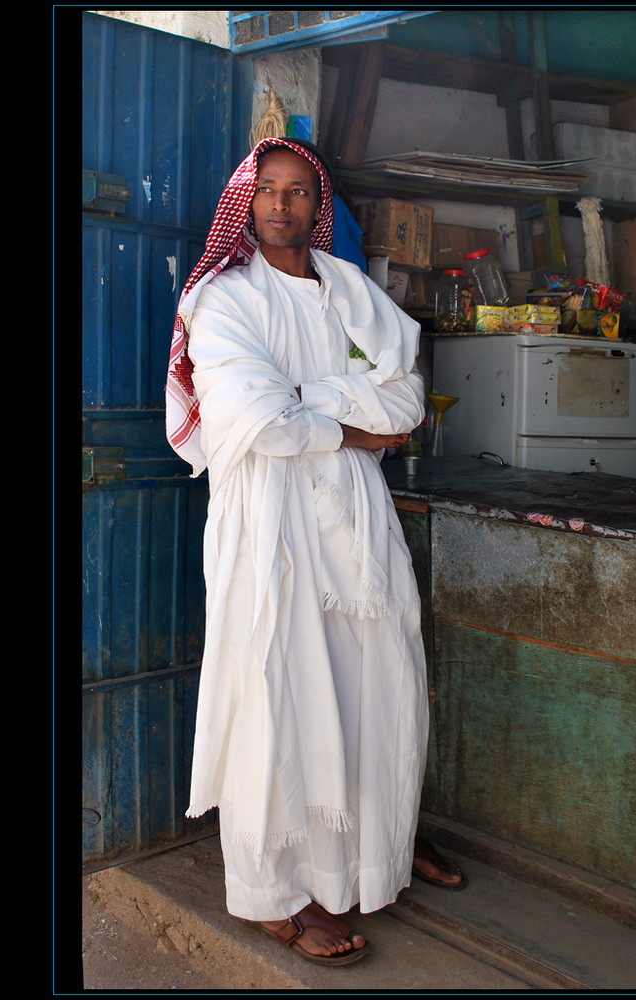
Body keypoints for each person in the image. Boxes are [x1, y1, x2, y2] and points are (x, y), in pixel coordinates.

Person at [165, 137, 465, 967]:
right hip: (272, 524)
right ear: (247, 201)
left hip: (357, 522)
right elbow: (254, 421)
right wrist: (351, 420)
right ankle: (274, 895)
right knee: (280, 694)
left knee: (379, 683)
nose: (281, 205)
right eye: (268, 190)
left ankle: (377, 853)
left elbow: (405, 396)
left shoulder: (348, 291)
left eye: (299, 191)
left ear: (316, 205)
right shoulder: (224, 301)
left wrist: (315, 404)